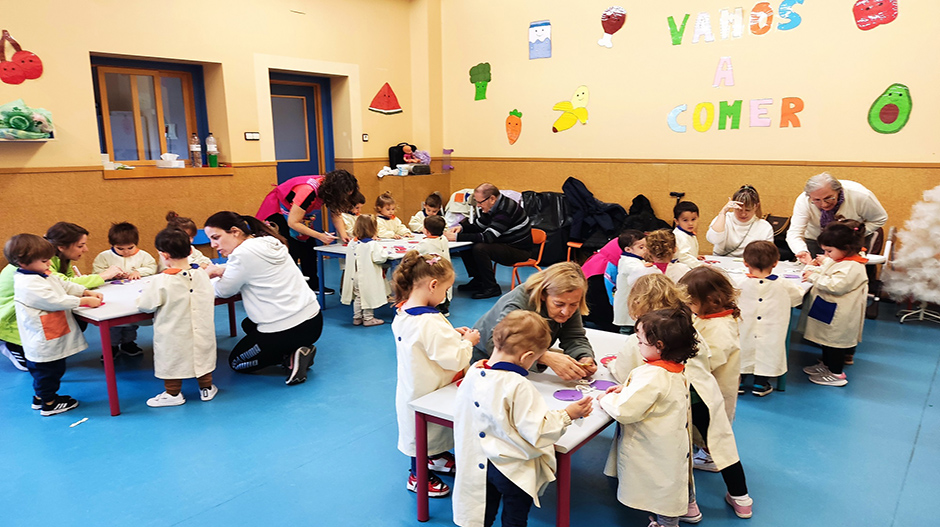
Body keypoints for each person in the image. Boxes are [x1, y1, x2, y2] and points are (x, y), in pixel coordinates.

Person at [605, 274, 750, 520]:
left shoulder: (640, 340)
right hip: (702, 399)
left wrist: (611, 367)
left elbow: (624, 373)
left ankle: (687, 506)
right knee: (722, 447)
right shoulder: (689, 331)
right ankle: (742, 499)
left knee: (676, 456)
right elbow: (706, 361)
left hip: (671, 406)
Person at [453, 310, 592, 527]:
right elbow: (538, 430)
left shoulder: (474, 371)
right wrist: (568, 415)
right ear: (527, 357)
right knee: (514, 517)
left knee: (483, 513)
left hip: (481, 462)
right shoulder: (518, 385)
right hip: (512, 468)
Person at [598, 308, 699, 527]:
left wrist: (604, 400)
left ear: (659, 345)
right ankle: (687, 508)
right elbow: (650, 395)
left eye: (641, 342)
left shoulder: (653, 375)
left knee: (662, 486)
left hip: (655, 446)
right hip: (672, 442)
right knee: (674, 480)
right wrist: (627, 388)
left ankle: (667, 523)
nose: (638, 345)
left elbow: (625, 411)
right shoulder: (675, 369)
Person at [393, 251, 478, 499]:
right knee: (421, 434)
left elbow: (428, 343)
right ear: (433, 285)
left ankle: (435, 457)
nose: (445, 295)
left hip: (415, 385)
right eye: (445, 289)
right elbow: (453, 358)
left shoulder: (405, 311)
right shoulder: (428, 321)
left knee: (426, 433)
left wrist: (452, 334)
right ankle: (417, 476)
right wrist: (467, 342)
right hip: (429, 392)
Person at [205, 211, 321, 386]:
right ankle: (297, 348)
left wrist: (204, 279)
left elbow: (223, 291)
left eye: (216, 238)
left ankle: (289, 358)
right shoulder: (266, 241)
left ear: (235, 232)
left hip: (287, 328)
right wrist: (223, 269)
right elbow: (246, 267)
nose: (213, 245)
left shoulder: (242, 254)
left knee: (237, 363)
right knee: (248, 324)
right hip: (313, 321)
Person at [4, 234, 103, 416]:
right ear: (22, 262)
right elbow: (54, 300)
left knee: (51, 368)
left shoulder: (40, 273)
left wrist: (84, 290)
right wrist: (84, 301)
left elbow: (63, 284)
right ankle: (49, 403)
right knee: (47, 371)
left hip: (51, 332)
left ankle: (41, 397)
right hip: (42, 338)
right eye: (44, 260)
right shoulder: (28, 283)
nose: (49, 264)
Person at [472, 262, 597, 381]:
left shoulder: (567, 299)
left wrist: (583, 357)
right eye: (559, 304)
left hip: (524, 363)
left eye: (574, 305)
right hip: (483, 360)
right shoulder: (521, 300)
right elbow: (497, 344)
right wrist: (543, 356)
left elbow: (574, 336)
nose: (566, 311)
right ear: (543, 294)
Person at [137, 228, 218, 407]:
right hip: (202, 330)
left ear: (163, 255)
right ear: (190, 251)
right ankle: (206, 388)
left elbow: (145, 305)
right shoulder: (202, 275)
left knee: (172, 360)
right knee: (202, 356)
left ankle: (173, 394)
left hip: (173, 333)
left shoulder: (160, 281)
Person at [255, 169, 361, 293]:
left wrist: (344, 235)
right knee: (290, 249)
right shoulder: (308, 191)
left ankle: (313, 284)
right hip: (278, 211)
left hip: (297, 215)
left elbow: (336, 214)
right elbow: (293, 222)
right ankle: (287, 289)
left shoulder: (329, 190)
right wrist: (320, 236)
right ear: (336, 191)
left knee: (309, 248)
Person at [799, 220, 869, 387]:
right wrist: (815, 268)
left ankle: (836, 373)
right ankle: (826, 365)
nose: (827, 254)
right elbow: (828, 271)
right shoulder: (841, 261)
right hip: (828, 307)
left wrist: (813, 277)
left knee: (835, 343)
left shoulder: (853, 266)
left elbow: (835, 285)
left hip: (839, 313)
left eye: (829, 250)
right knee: (826, 340)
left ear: (846, 248)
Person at [738, 241, 804, 396]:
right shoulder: (784, 285)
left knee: (744, 350)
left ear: (745, 262)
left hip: (744, 329)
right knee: (767, 352)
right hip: (772, 330)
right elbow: (797, 298)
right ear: (775, 263)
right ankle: (760, 384)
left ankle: (740, 381)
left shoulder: (739, 284)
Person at [446, 183, 533, 300]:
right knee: (468, 244)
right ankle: (479, 280)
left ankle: (491, 287)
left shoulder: (505, 210)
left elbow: (488, 237)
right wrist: (462, 229)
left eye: (480, 202)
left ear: (492, 199)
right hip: (505, 244)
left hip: (519, 250)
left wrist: (457, 238)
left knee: (480, 248)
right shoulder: (493, 207)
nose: (478, 205)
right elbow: (479, 225)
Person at [679, 267, 742, 425]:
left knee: (710, 429)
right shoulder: (706, 316)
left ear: (711, 300)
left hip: (713, 388)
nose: (687, 307)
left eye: (691, 303)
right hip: (702, 385)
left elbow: (710, 361)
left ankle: (706, 450)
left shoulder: (720, 328)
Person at [786, 173, 887, 265]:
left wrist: (854, 235)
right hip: (815, 238)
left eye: (829, 198)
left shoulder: (861, 196)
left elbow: (880, 218)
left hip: (851, 241)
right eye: (817, 200)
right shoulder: (804, 200)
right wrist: (801, 251)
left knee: (849, 272)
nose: (824, 204)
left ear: (839, 191)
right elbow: (794, 233)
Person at [92, 221, 157, 358]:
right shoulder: (104, 256)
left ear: (136, 244)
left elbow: (152, 267)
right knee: (114, 322)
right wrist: (110, 274)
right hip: (114, 294)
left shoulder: (143, 255)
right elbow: (97, 272)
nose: (126, 252)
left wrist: (139, 271)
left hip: (133, 294)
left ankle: (129, 342)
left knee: (131, 321)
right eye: (120, 249)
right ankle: (112, 345)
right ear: (112, 245)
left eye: (130, 248)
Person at [340, 215, 390, 327]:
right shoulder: (373, 245)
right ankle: (368, 318)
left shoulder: (353, 243)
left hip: (356, 275)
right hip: (367, 276)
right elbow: (379, 258)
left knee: (358, 297)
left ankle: (357, 318)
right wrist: (385, 253)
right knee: (368, 296)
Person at [706, 185, 775, 257]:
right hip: (721, 261)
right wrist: (723, 212)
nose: (743, 214)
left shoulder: (765, 227)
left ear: (756, 206)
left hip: (751, 264)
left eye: (748, 210)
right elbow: (713, 239)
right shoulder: (724, 219)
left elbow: (767, 254)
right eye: (739, 210)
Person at [612, 230, 648, 334]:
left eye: (646, 246)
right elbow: (640, 272)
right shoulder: (628, 262)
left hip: (633, 306)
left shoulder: (636, 260)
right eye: (641, 247)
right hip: (627, 306)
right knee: (626, 332)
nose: (645, 250)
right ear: (628, 249)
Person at [416, 215, 452, 316]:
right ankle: (445, 308)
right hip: (445, 268)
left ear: (427, 231)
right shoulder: (443, 239)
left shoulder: (425, 243)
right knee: (444, 288)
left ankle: (434, 308)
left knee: (433, 289)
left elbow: (415, 252)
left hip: (432, 271)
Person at [673, 201, 704, 269]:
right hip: (681, 268)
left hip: (688, 266)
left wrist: (695, 256)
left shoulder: (688, 233)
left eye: (693, 219)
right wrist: (699, 265)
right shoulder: (679, 235)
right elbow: (683, 256)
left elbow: (687, 251)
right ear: (677, 221)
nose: (690, 223)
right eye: (685, 220)